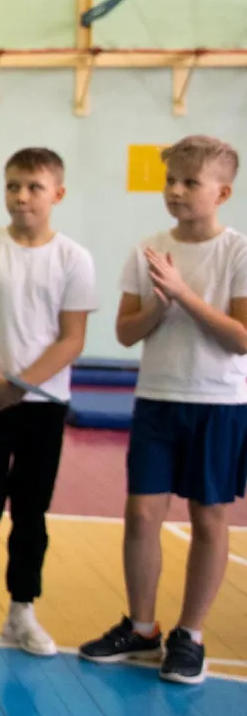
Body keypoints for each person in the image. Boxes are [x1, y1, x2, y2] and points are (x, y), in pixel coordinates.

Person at [81, 134, 247, 686]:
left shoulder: (237, 252)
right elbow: (127, 332)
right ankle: (143, 626)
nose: (174, 190)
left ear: (222, 191)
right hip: (157, 398)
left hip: (218, 403)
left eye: (189, 182)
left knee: (207, 517)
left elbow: (241, 339)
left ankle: (190, 634)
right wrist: (160, 301)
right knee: (142, 514)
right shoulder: (147, 249)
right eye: (169, 180)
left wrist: (184, 293)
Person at [0, 148, 95, 656]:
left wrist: (22, 385)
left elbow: (72, 338)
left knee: (31, 509)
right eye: (13, 186)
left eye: (33, 186)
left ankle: (22, 609)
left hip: (44, 405)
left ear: (58, 193)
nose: (21, 196)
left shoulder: (74, 258)